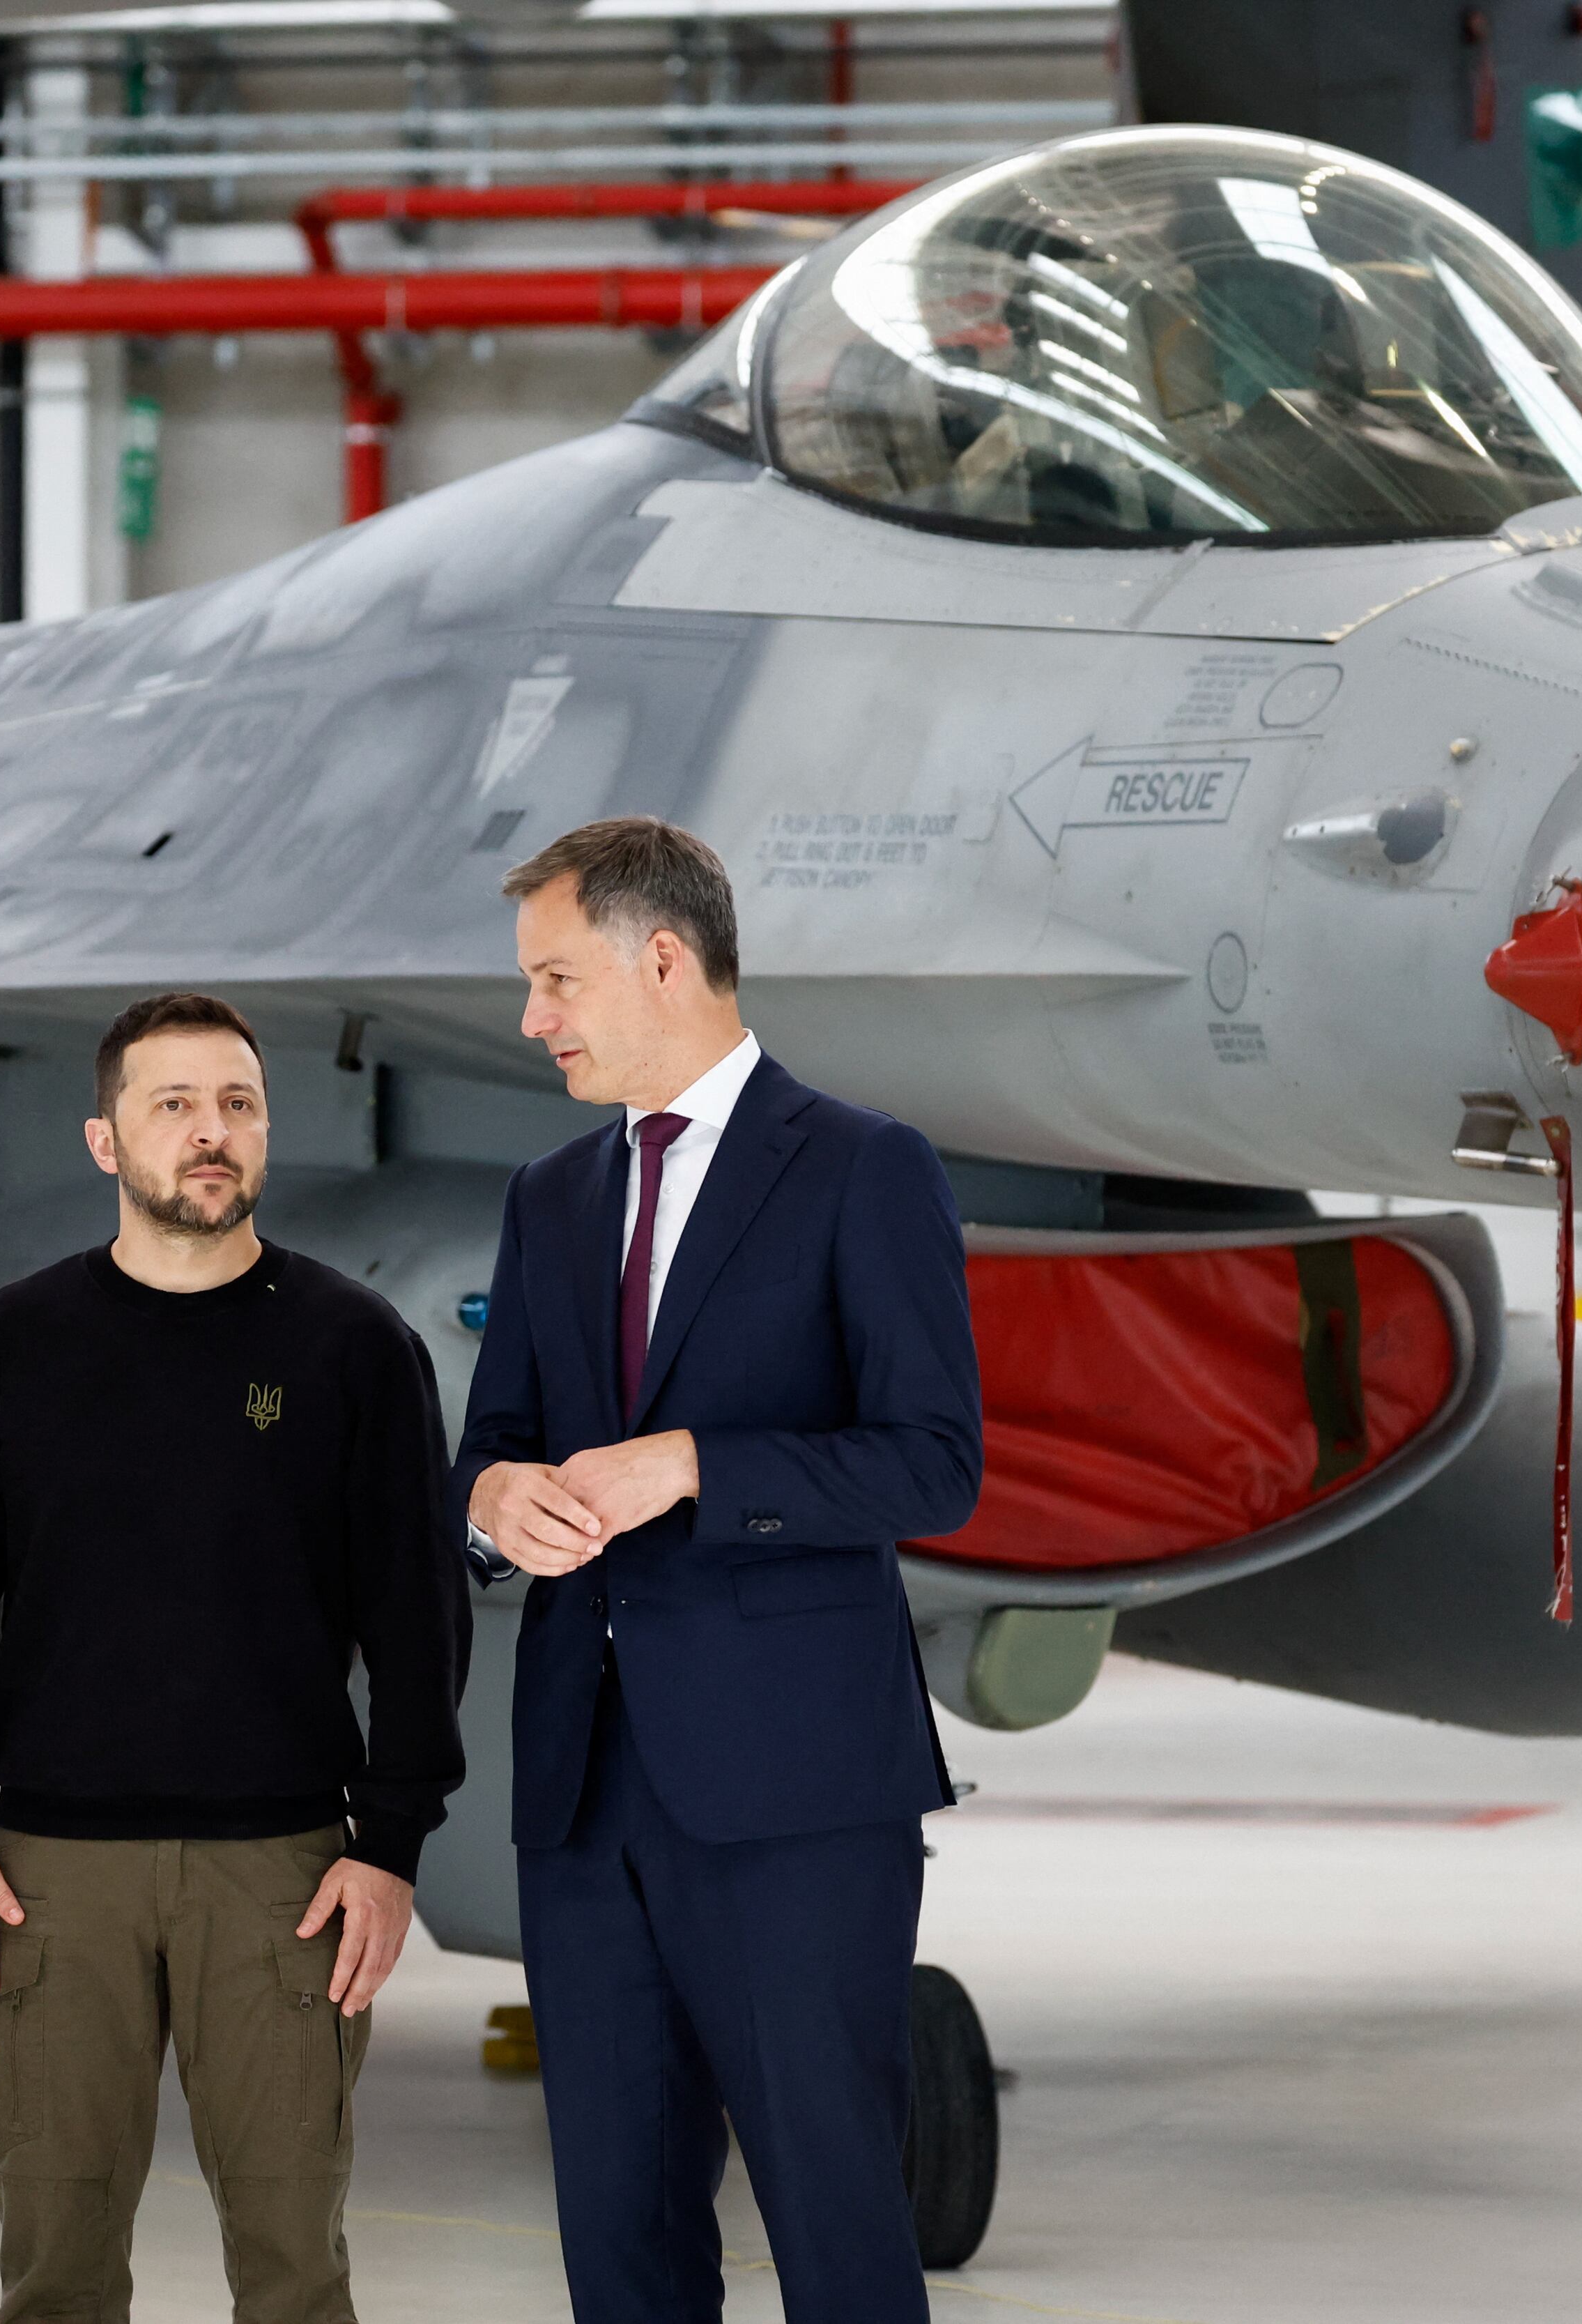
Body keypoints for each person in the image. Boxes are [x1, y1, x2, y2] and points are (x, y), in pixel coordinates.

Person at [457, 818, 983, 2324]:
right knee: (616, 2234)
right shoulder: (551, 1195)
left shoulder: (863, 1169)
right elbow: (489, 1444)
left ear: (663, 959)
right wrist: (491, 1493)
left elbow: (932, 1461)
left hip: (796, 1797)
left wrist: (697, 1462)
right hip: (580, 1790)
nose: (533, 1015)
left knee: (832, 2215)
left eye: (555, 978)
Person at [0, 991, 468, 2324]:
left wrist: (392, 1843)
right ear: (106, 1139)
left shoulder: (354, 1349)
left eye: (239, 1104)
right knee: (55, 2272)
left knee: (296, 2267)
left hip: (286, 1880)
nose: (213, 1133)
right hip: (51, 1881)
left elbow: (418, 1618)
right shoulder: (12, 1348)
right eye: (177, 1104)